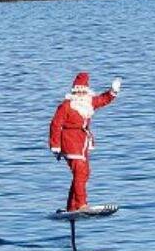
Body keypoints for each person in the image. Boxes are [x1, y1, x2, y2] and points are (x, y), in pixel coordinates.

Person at [49, 72, 121, 212]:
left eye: (83, 90)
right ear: (74, 91)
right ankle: (81, 204)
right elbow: (55, 124)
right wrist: (55, 146)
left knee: (84, 173)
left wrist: (113, 92)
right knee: (80, 172)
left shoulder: (88, 102)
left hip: (82, 142)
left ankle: (72, 206)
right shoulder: (66, 106)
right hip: (70, 142)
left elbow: (103, 100)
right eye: (78, 90)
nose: (81, 93)